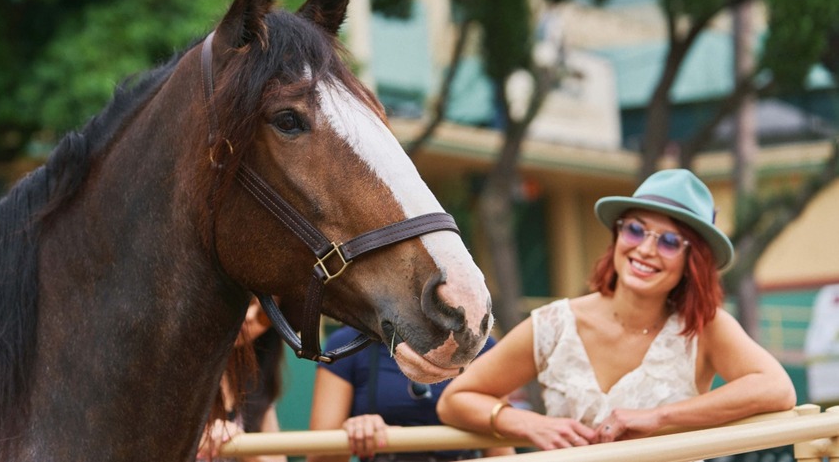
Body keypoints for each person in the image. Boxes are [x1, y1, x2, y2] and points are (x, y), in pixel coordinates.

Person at [437, 169, 797, 451]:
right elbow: (455, 400)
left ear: (693, 261)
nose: (646, 249)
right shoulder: (554, 324)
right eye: (636, 230)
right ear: (618, 237)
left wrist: (659, 417)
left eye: (670, 241)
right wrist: (528, 423)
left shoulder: (705, 327)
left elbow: (777, 389)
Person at [307, 325, 514, 462]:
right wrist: (354, 432)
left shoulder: (480, 345)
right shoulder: (346, 344)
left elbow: (499, 451)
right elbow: (319, 456)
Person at [198, 296, 287, 462]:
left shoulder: (256, 379)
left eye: (264, 315)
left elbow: (278, 459)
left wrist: (243, 448)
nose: (250, 316)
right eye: (247, 302)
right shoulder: (174, 369)